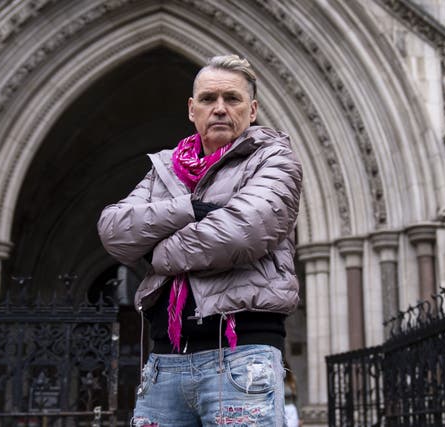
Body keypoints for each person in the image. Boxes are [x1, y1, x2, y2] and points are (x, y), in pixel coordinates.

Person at [98, 54, 302, 427]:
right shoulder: (165, 170)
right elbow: (115, 230)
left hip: (241, 357)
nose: (219, 108)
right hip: (163, 362)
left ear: (252, 109)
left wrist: (158, 252)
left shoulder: (275, 161)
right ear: (192, 110)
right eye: (208, 99)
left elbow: (240, 232)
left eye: (232, 99)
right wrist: (191, 208)